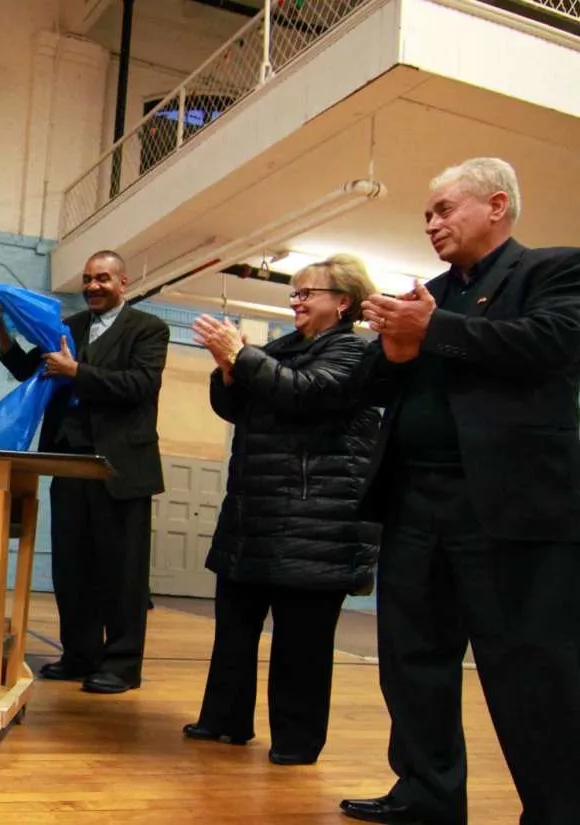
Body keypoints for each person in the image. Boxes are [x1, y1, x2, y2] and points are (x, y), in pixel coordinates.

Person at [339, 158, 580, 825]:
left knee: (529, 668)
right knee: (412, 658)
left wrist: (432, 330)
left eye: (444, 209)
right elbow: (369, 385)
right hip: (416, 500)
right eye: (427, 214)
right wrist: (394, 353)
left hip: (510, 507)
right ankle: (427, 794)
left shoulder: (553, 270)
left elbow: (553, 343)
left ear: (496, 205)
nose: (431, 223)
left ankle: (559, 809)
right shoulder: (427, 294)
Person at [182, 255, 380, 765]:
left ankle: (296, 742)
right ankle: (224, 720)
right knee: (235, 626)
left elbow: (307, 393)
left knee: (302, 642)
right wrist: (228, 368)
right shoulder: (281, 349)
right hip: (254, 512)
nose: (297, 302)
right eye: (294, 293)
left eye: (307, 293)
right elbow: (235, 406)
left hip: (318, 520)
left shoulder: (354, 352)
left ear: (343, 301)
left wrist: (241, 356)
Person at [0, 250, 168, 694]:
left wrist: (77, 371)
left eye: (103, 278)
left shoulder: (149, 329)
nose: (92, 286)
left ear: (123, 282)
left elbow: (140, 385)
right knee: (72, 566)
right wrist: (0, 325)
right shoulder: (67, 327)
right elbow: (27, 370)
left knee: (122, 571)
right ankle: (79, 655)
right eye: (88, 279)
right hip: (68, 461)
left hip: (121, 467)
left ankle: (122, 665)